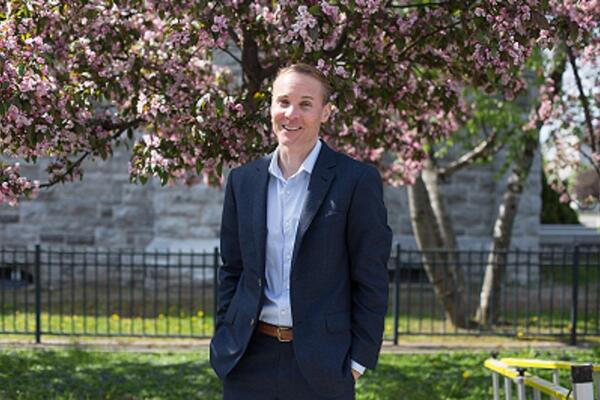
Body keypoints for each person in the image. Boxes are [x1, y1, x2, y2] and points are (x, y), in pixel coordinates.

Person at [210, 63, 392, 400]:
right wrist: (225, 335)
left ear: (325, 112)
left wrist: (357, 361)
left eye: (305, 104)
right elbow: (233, 270)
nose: (291, 113)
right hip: (248, 359)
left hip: (324, 364)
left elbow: (371, 278)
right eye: (283, 102)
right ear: (271, 109)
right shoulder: (243, 181)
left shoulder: (355, 181)